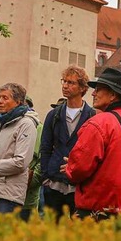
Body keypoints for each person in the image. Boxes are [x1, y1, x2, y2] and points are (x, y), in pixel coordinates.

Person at [63, 68, 121, 219]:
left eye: (99, 89)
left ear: (113, 95)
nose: (93, 93)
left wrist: (70, 167)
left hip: (96, 211)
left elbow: (79, 168)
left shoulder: (99, 123)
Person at [40, 65, 96, 220]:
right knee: (52, 230)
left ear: (82, 88)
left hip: (78, 184)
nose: (65, 85)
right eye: (64, 81)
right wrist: (46, 177)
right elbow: (45, 147)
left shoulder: (92, 116)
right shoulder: (54, 115)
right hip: (54, 183)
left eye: (71, 83)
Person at [0, 83, 39, 214]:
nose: (0, 101)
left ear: (18, 101)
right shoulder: (2, 122)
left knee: (5, 233)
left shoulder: (26, 124)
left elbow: (20, 162)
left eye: (5, 98)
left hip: (9, 195)